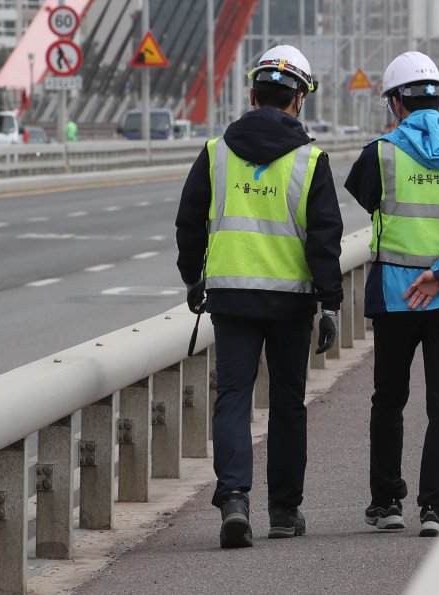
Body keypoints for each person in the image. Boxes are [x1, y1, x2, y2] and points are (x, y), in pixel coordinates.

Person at [175, 44, 343, 549]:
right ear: (299, 101)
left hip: (230, 297)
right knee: (289, 404)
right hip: (291, 302)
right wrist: (331, 302)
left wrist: (192, 278)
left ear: (252, 95)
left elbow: (189, 223)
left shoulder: (215, 152)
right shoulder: (311, 160)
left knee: (233, 398)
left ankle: (233, 500)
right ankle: (285, 513)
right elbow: (324, 239)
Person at [344, 51, 439, 537]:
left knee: (389, 400)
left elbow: (365, 196)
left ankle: (386, 503)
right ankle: (436, 509)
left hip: (395, 298)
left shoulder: (381, 152)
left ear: (395, 102)